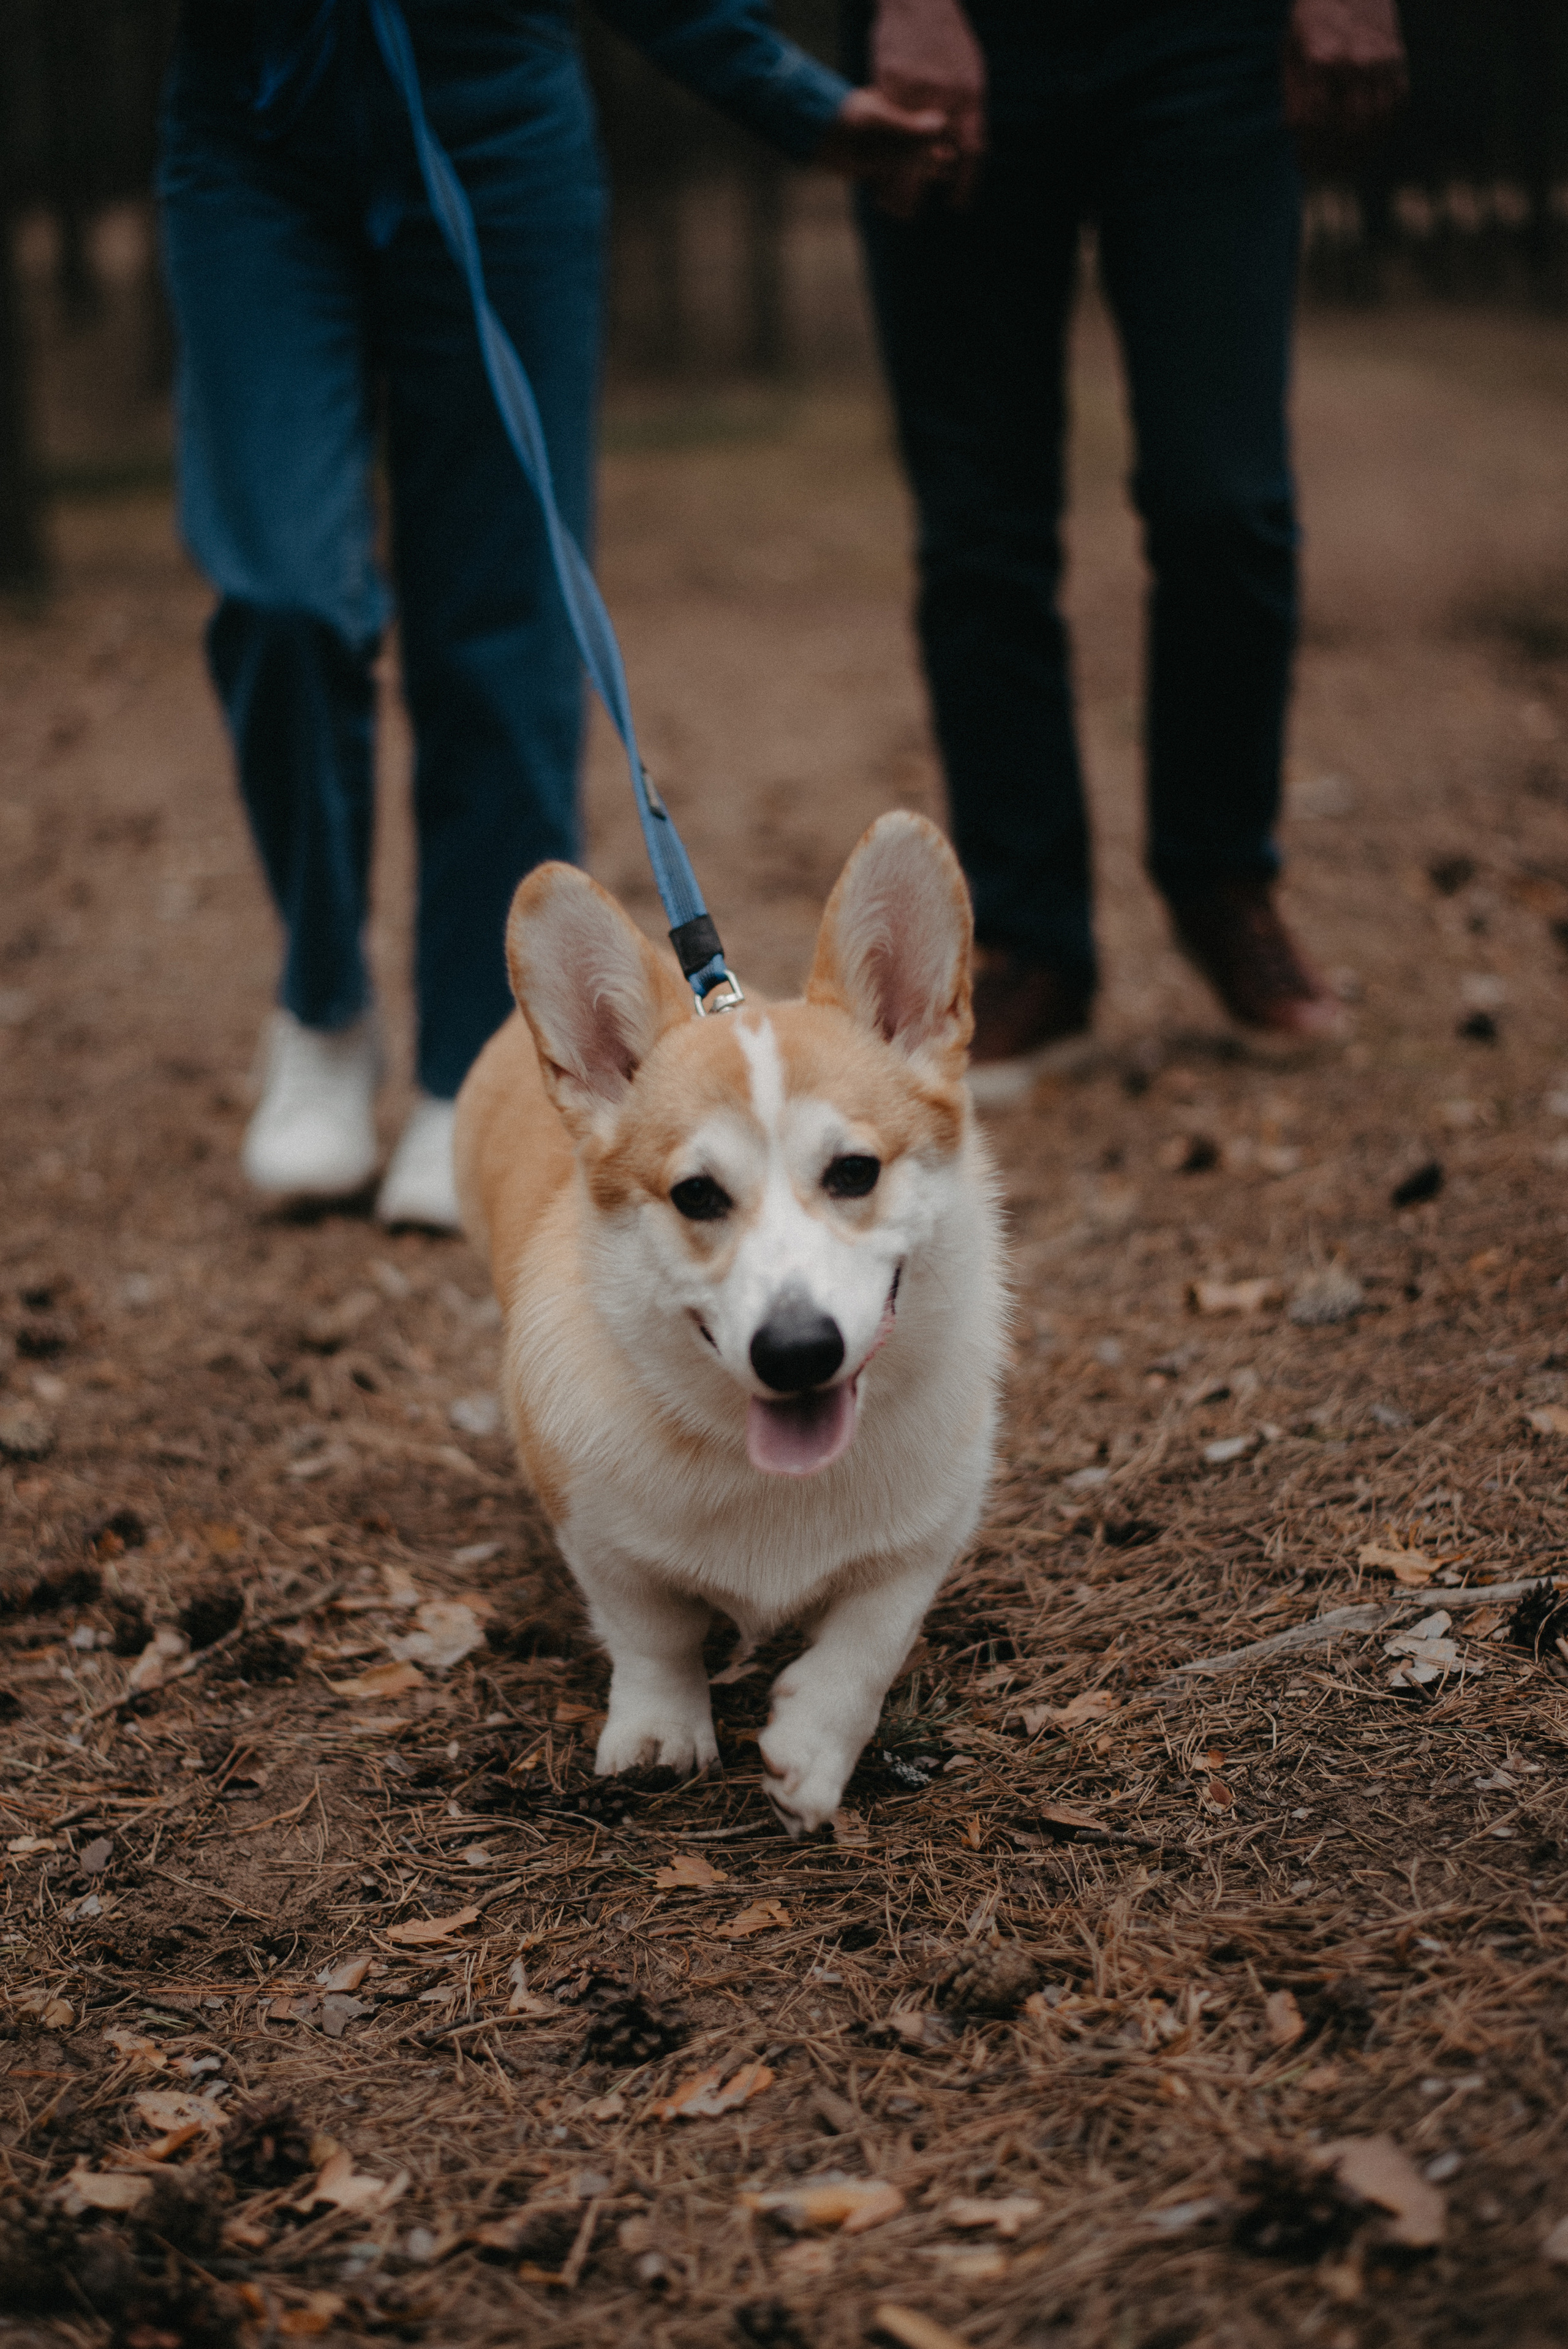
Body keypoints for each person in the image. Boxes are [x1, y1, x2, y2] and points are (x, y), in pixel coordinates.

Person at [159, 0, 945, 1222]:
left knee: (501, 624)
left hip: (499, 116)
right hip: (247, 108)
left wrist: (787, 96)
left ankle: (465, 1068)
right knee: (282, 599)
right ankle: (322, 1005)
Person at [845, 0, 1407, 1098]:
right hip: (961, 39)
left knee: (1225, 499)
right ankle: (1029, 943)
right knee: (980, 528)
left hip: (1209, 39)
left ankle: (1220, 880)